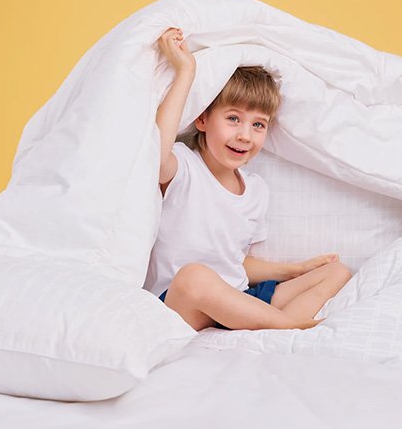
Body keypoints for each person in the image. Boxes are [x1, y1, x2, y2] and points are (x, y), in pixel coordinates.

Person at [143, 26, 352, 332]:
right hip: (183, 301)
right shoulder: (184, 165)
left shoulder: (255, 190)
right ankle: (290, 327)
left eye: (258, 125)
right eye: (233, 118)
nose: (245, 135)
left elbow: (236, 261)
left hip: (239, 298)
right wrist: (186, 71)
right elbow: (156, 156)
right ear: (202, 119)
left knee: (337, 272)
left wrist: (293, 270)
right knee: (194, 276)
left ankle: (276, 327)